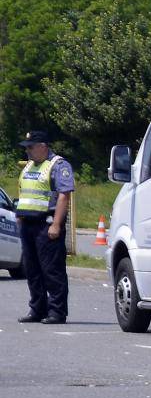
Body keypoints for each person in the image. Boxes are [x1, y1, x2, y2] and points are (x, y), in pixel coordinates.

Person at [14, 130, 73, 324]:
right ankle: (37, 309)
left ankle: (57, 311)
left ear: (43, 146)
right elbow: (24, 191)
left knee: (52, 270)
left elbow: (64, 195)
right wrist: (20, 215)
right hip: (28, 223)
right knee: (32, 270)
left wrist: (56, 224)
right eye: (26, 148)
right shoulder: (30, 165)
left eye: (31, 147)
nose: (28, 151)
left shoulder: (58, 165)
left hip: (46, 224)